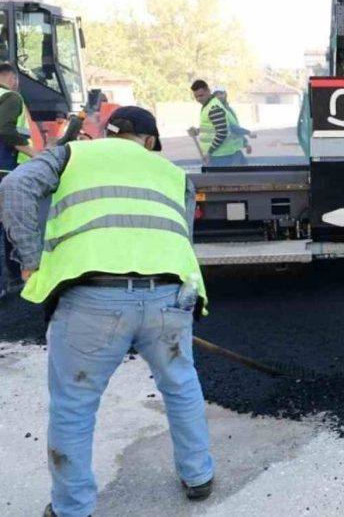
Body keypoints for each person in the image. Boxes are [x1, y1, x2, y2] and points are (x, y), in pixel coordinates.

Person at [0, 106, 215, 517]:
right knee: (181, 385)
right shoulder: (173, 174)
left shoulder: (72, 155)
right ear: (150, 141)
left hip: (92, 300)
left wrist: (28, 260)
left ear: (106, 132)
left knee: (74, 404)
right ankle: (199, 476)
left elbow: (15, 188)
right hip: (170, 295)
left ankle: (72, 508)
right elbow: (180, 235)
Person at [0, 62, 38, 299]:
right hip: (4, 169)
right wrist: (33, 153)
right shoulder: (11, 96)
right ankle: (14, 278)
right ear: (12, 78)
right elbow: (5, 130)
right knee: (11, 224)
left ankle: (12, 278)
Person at [190, 79, 246, 166]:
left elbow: (222, 132)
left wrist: (209, 152)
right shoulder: (208, 105)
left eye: (201, 95)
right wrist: (198, 130)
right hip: (218, 155)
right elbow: (213, 127)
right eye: (196, 97)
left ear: (208, 91)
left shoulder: (214, 107)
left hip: (221, 156)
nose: (199, 99)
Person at [212, 86, 256, 155]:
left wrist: (245, 143)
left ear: (225, 94)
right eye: (216, 95)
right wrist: (248, 132)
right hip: (223, 153)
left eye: (221, 93)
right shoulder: (216, 110)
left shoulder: (228, 109)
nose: (219, 96)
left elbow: (236, 128)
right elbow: (230, 127)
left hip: (233, 150)